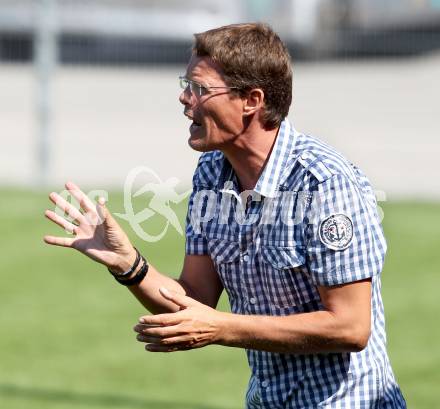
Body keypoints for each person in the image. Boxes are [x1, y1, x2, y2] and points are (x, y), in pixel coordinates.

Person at [44, 23, 406, 409]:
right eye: (186, 84)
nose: (185, 99)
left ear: (251, 100)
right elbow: (196, 299)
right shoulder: (211, 174)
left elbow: (350, 326)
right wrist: (129, 265)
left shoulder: (324, 184)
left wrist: (223, 328)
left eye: (199, 88)